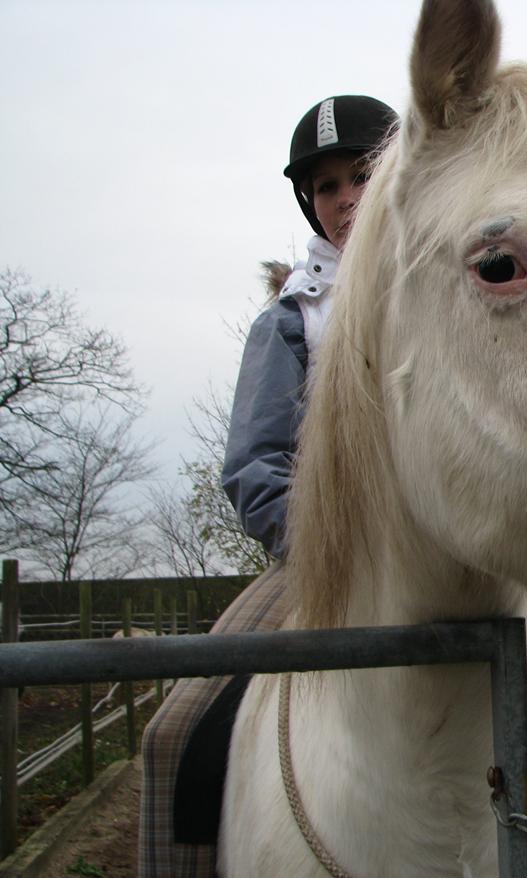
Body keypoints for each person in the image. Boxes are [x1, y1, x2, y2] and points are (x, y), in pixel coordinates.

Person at [138, 95, 399, 878]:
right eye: (325, 186)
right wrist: (331, 553)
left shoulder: (459, 279)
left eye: (362, 173)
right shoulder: (293, 320)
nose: (347, 197)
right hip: (324, 569)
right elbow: (254, 468)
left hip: (478, 555)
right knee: (174, 738)